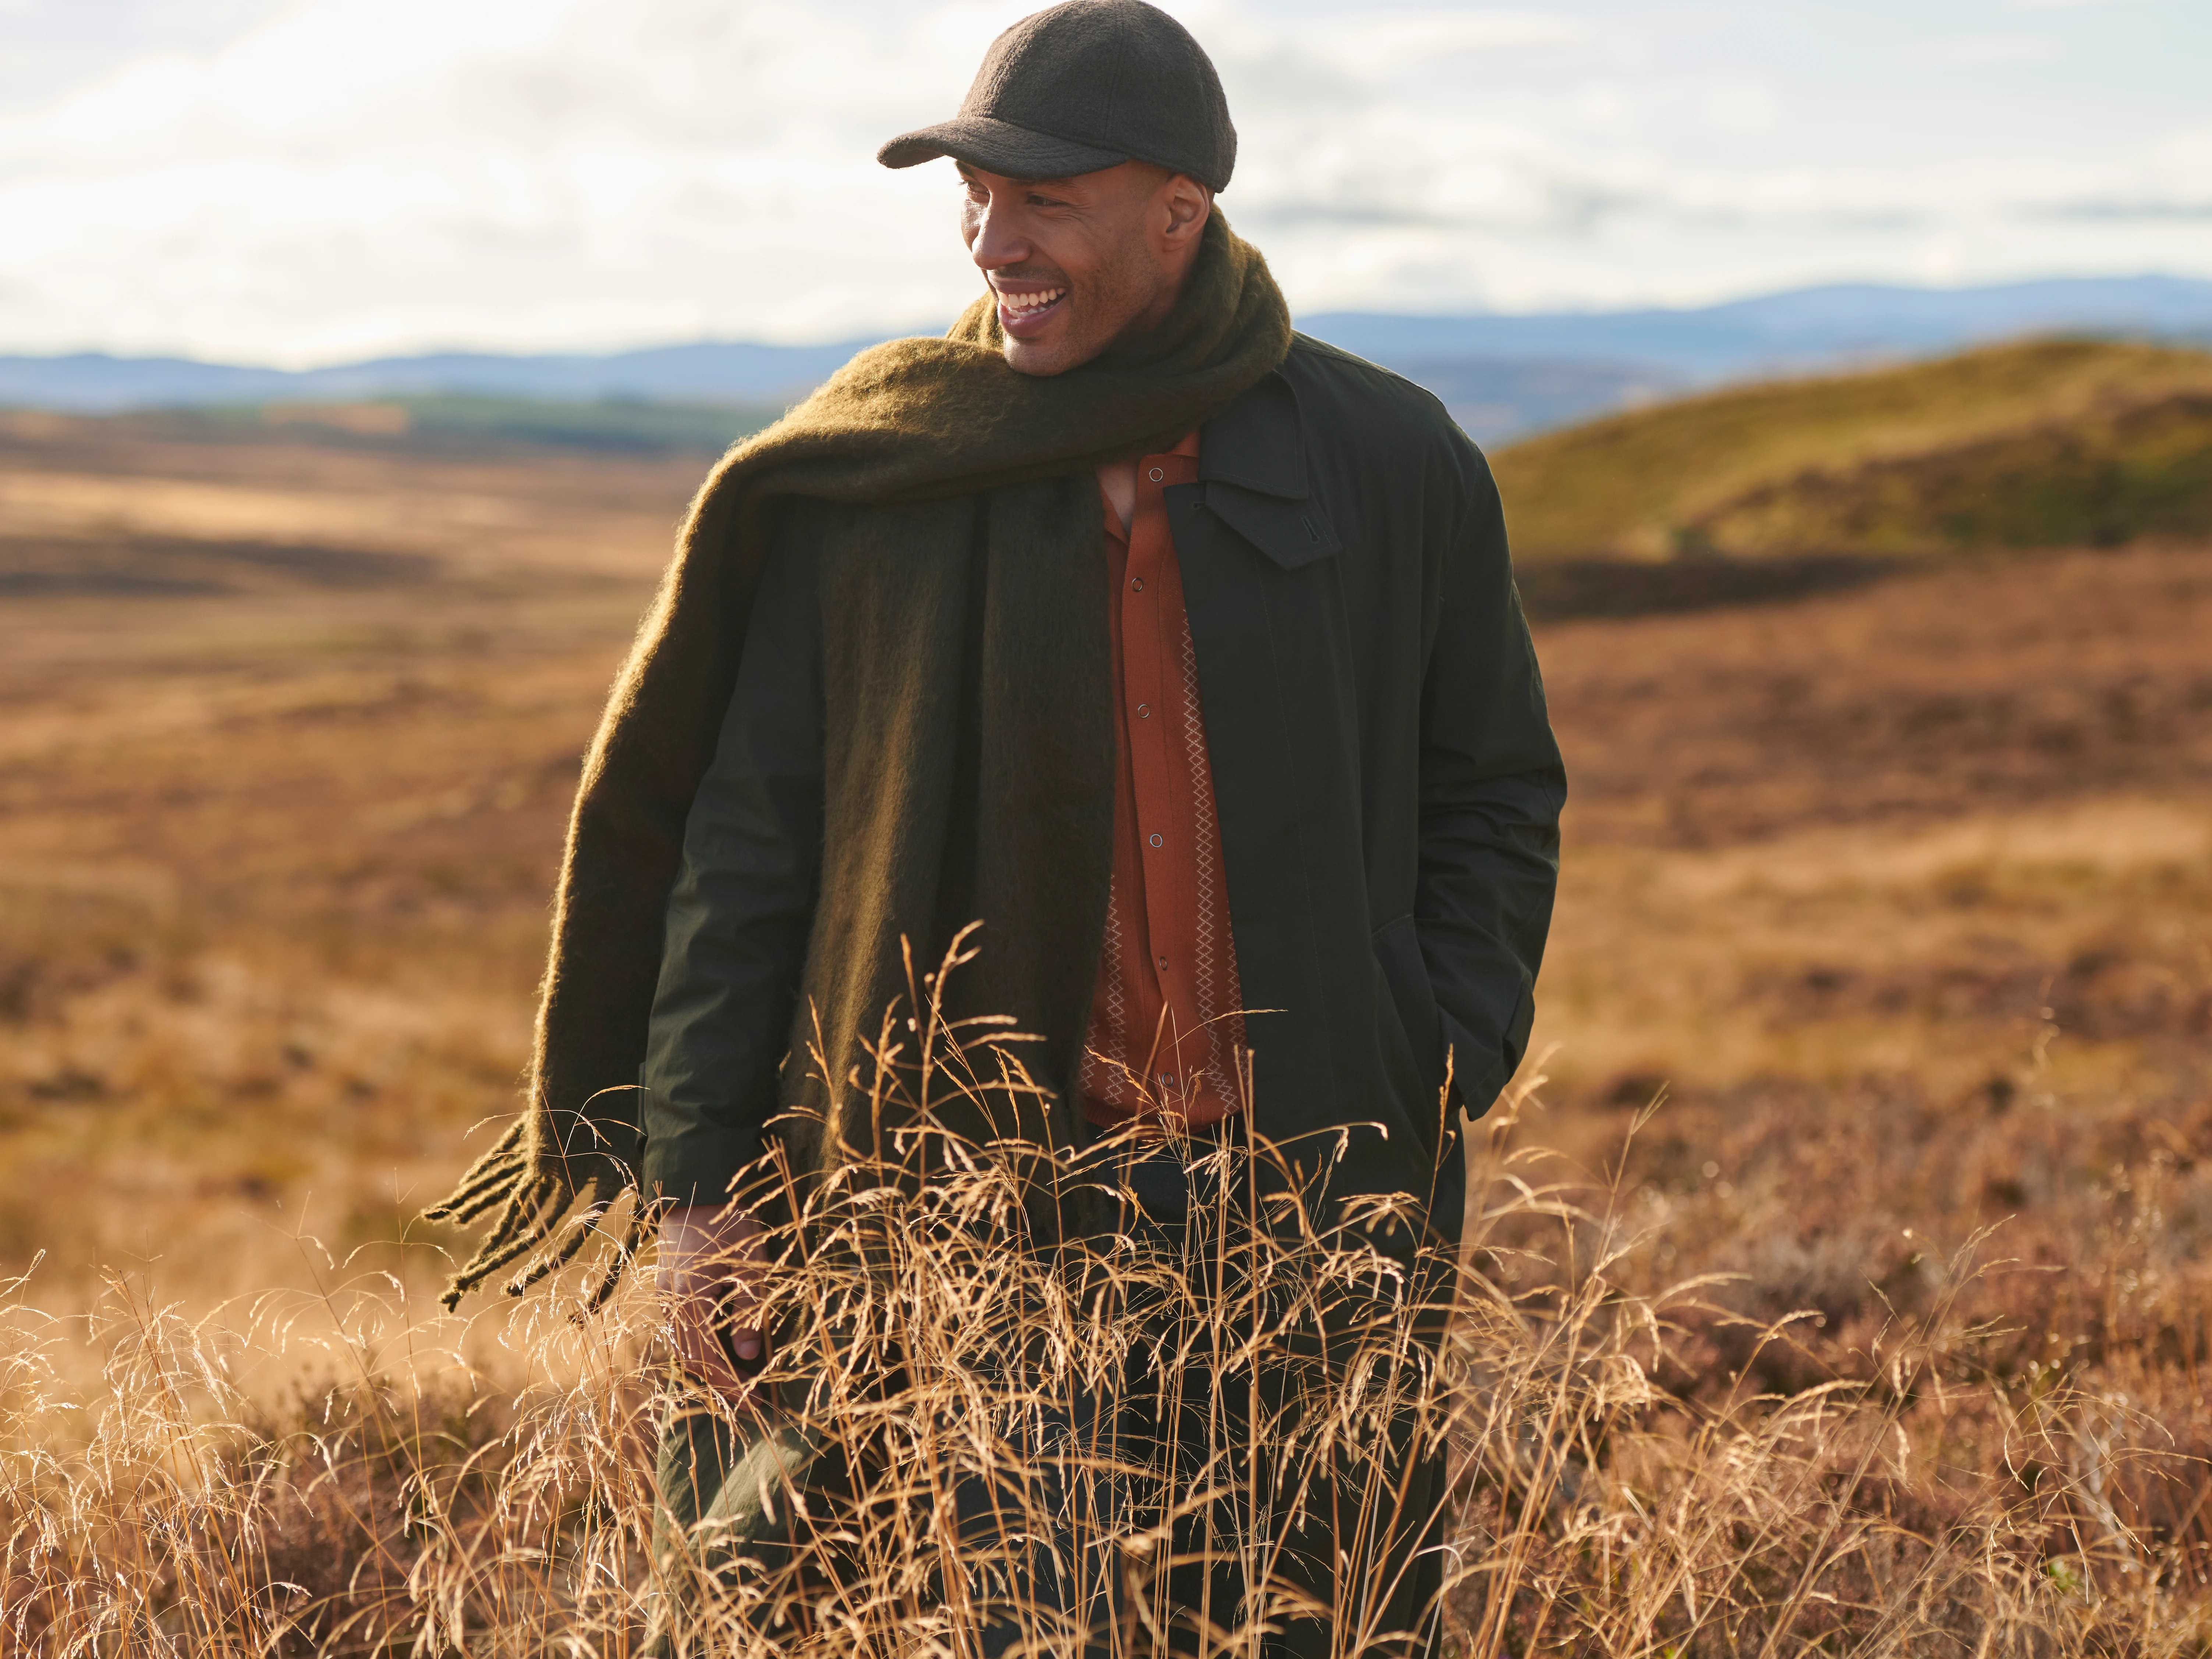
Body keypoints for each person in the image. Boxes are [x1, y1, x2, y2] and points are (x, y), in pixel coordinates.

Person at [427, 1, 1564, 1651]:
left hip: (1313, 1199)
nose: (991, 235)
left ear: (1181, 206)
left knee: (1330, 1618)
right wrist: (700, 1179)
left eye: (1045, 198)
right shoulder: (890, 475)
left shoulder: (1393, 463)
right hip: (977, 1214)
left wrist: (1434, 1042)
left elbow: (1494, 789)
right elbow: (750, 850)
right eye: (972, 193)